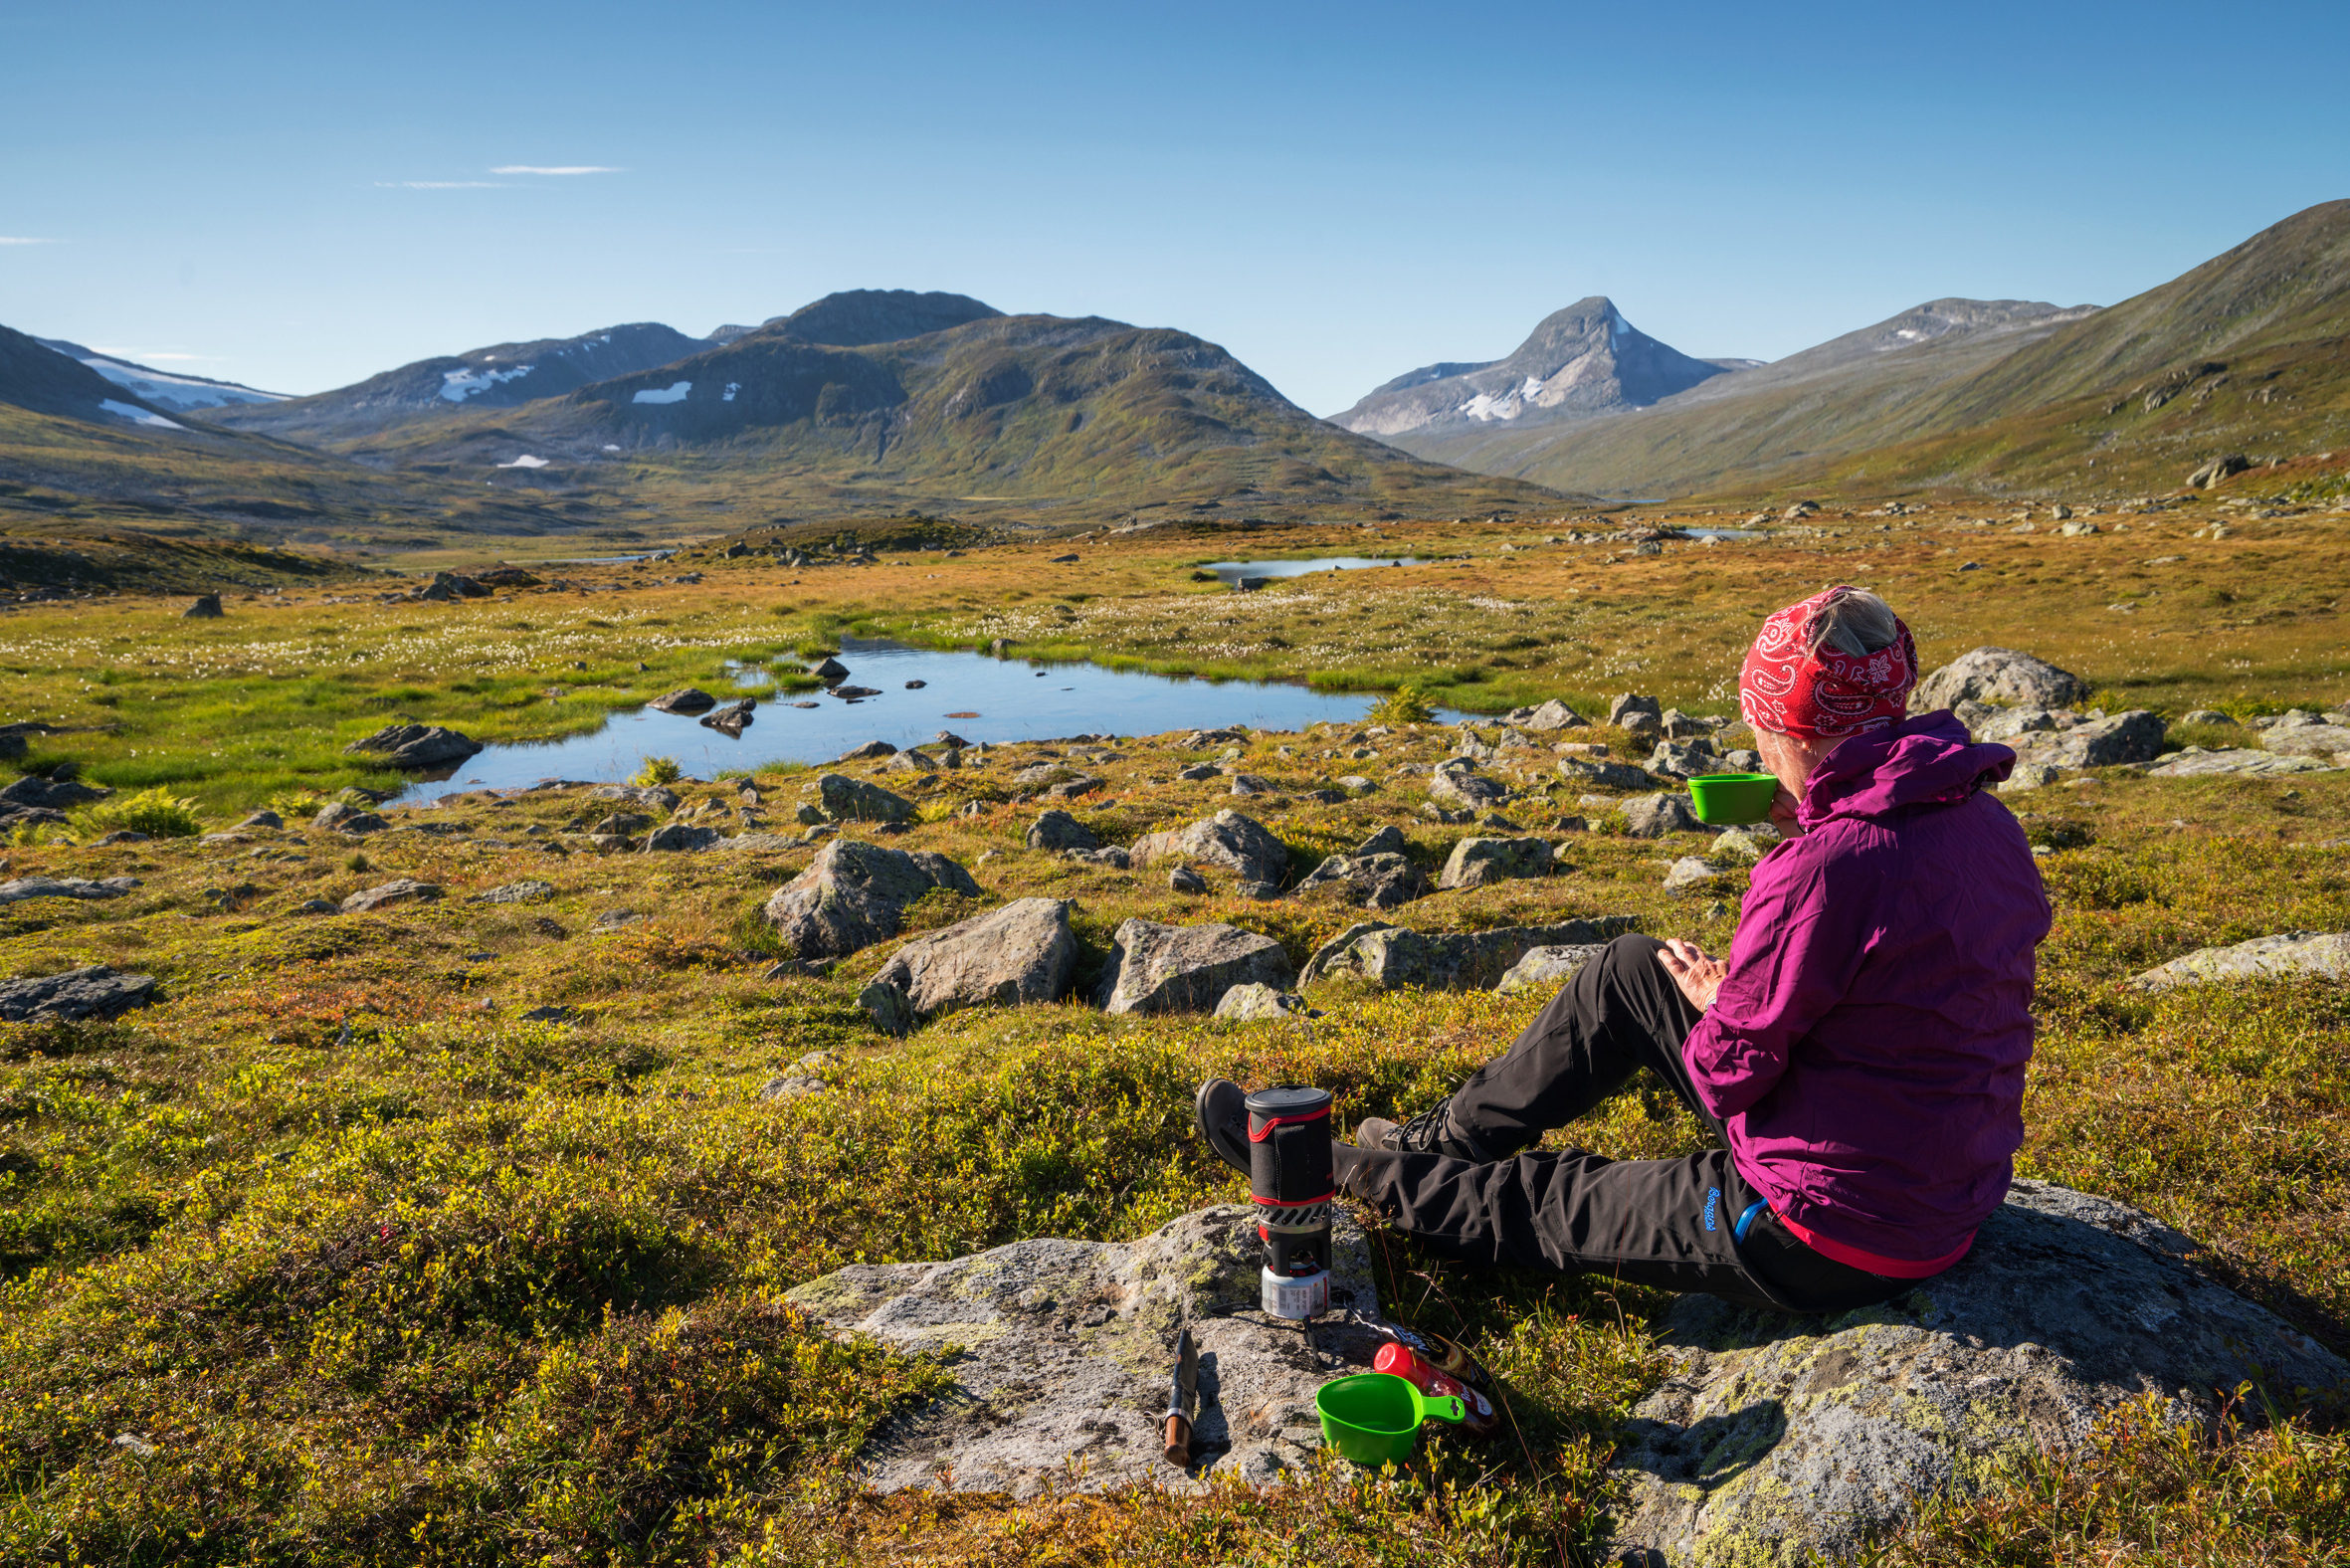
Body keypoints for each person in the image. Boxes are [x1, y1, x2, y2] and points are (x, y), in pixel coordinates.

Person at [1197, 586, 2052, 1314]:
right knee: (1637, 968)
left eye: (1757, 725)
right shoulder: (1978, 816)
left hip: (1826, 1228)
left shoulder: (1826, 866)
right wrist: (1805, 834)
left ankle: (1318, 1167)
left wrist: (1724, 1001)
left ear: (1788, 729)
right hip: (1934, 1180)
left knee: (1541, 1196)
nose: (1752, 746)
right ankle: (1434, 1143)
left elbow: (1725, 1071)